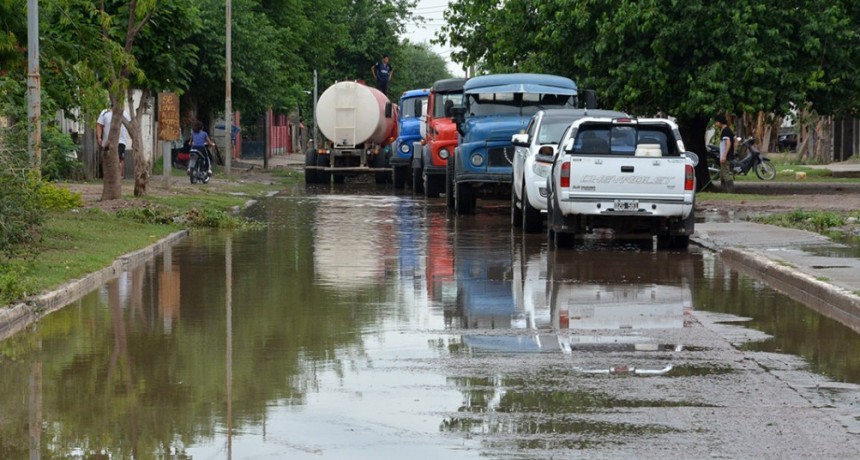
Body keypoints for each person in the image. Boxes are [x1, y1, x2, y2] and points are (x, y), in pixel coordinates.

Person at [96, 108, 131, 177]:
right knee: (107, 159)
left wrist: (133, 138)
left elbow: (130, 126)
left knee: (120, 159)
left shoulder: (124, 113)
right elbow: (99, 125)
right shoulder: (104, 112)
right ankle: (109, 177)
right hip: (107, 141)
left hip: (121, 141)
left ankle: (119, 177)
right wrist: (99, 137)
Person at [714, 114, 735, 193]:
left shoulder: (726, 131)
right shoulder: (727, 130)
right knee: (722, 174)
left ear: (720, 122)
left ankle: (730, 190)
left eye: (716, 122)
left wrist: (724, 156)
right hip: (725, 155)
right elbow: (734, 141)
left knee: (725, 174)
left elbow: (728, 143)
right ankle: (724, 190)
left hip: (725, 156)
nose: (715, 124)